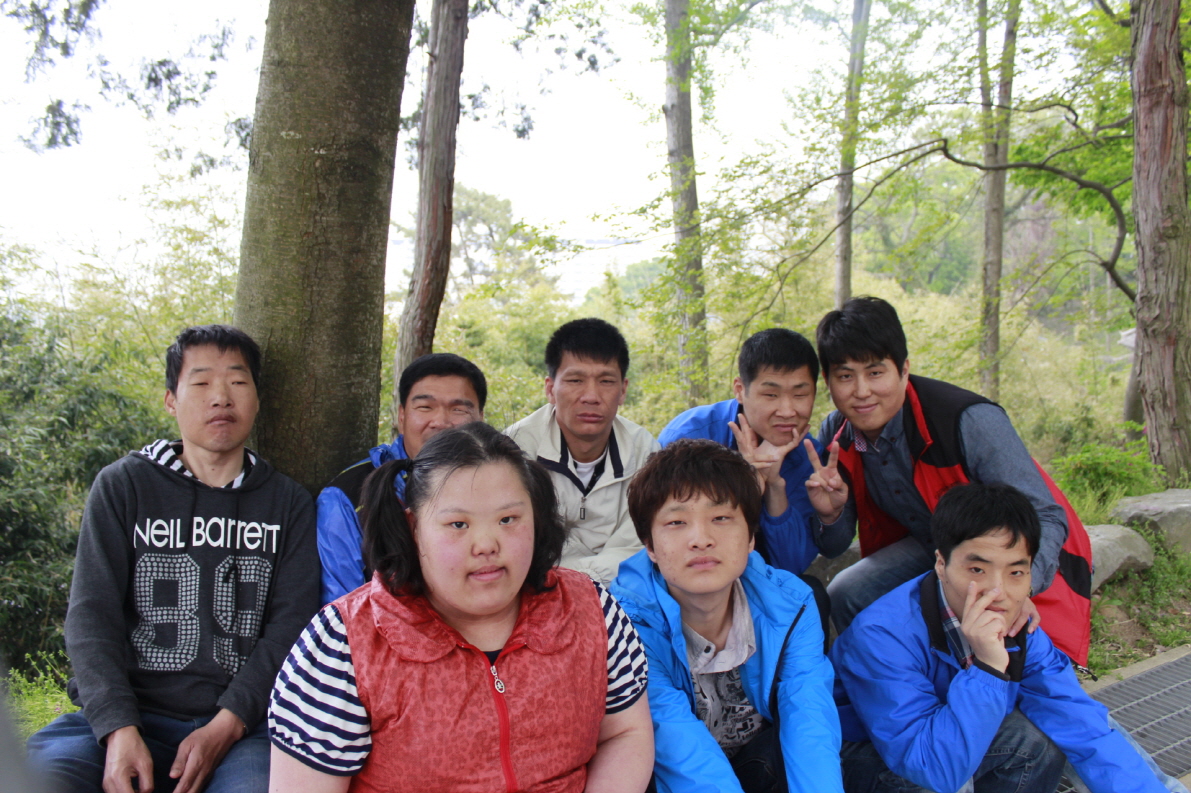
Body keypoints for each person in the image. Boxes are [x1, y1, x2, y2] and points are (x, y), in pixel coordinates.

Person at [268, 422, 654, 793]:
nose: (486, 544)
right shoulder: (343, 644)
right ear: (413, 527)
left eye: (508, 519)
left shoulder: (590, 609)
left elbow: (625, 733)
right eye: (458, 524)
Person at [26, 325, 320, 793]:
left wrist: (227, 725)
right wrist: (118, 728)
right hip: (127, 715)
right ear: (170, 400)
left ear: (257, 400)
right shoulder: (124, 486)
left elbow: (291, 627)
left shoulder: (288, 503)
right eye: (201, 383)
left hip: (243, 728)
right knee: (45, 778)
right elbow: (91, 615)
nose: (221, 397)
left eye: (238, 382)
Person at [832, 482, 1185, 793]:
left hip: (948, 740)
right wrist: (987, 668)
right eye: (977, 569)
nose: (997, 592)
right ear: (941, 564)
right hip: (871, 757)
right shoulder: (881, 637)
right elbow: (930, 768)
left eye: (1016, 572)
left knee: (1040, 737)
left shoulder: (1019, 628)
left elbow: (1081, 723)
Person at [816, 296, 1092, 664]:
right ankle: (889, 679)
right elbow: (834, 545)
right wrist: (830, 514)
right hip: (931, 547)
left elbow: (1046, 514)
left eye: (875, 372)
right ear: (828, 382)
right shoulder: (838, 436)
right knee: (848, 592)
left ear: (903, 369)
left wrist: (1018, 588)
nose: (861, 390)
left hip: (1001, 558)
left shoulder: (965, 419)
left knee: (1018, 676)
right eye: (845, 376)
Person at [611, 439, 842, 793]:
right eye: (676, 522)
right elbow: (675, 739)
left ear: (750, 537)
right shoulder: (625, 625)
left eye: (721, 518)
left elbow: (808, 719)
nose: (701, 539)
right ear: (650, 547)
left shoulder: (791, 605)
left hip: (756, 762)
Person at [316, 352, 486, 603]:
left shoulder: (504, 485)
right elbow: (343, 607)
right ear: (402, 415)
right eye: (425, 407)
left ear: (480, 417)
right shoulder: (347, 496)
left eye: (458, 409)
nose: (441, 422)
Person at [505, 318, 658, 583]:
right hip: (537, 587)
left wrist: (580, 580)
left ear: (623, 391)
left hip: (625, 588)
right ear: (550, 389)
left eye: (606, 381)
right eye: (575, 380)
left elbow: (640, 542)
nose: (591, 396)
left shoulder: (644, 449)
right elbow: (516, 541)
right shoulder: (515, 448)